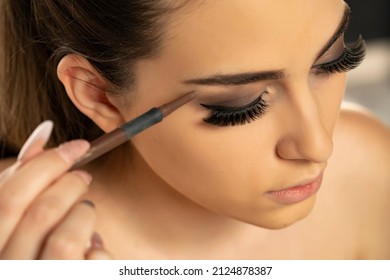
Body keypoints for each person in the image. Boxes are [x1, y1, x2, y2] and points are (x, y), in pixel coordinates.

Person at [0, 0, 389, 260]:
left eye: (334, 62)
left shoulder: (371, 172)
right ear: (99, 95)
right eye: (240, 104)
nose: (318, 146)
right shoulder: (18, 244)